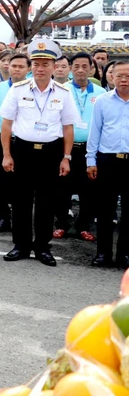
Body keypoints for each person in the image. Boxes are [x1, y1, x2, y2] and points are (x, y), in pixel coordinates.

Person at [0, 37, 78, 267]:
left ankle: (42, 246)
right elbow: (6, 124)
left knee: (46, 202)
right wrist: (7, 154)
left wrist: (66, 157)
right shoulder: (18, 89)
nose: (40, 68)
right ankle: (21, 245)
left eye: (45, 64)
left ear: (54, 66)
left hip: (51, 152)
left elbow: (68, 127)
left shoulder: (64, 92)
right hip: (22, 150)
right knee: (21, 201)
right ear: (31, 66)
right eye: (36, 64)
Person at [54, 52, 103, 243]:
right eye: (76, 66)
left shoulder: (101, 94)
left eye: (85, 66)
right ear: (70, 68)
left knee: (89, 189)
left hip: (90, 150)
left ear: (92, 69)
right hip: (65, 148)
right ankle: (62, 224)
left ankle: (83, 226)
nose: (80, 70)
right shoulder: (61, 90)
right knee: (62, 188)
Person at [87, 59, 129, 268]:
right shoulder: (102, 101)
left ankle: (124, 254)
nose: (124, 80)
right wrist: (91, 160)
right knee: (105, 210)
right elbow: (95, 132)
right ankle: (103, 253)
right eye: (120, 75)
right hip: (107, 160)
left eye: (128, 76)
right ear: (111, 77)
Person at [0, 52, 28, 234]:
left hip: (24, 140)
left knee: (21, 182)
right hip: (0, 137)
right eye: (13, 66)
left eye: (21, 66)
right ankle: (2, 217)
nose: (16, 69)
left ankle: (20, 219)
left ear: (28, 69)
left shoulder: (32, 89)